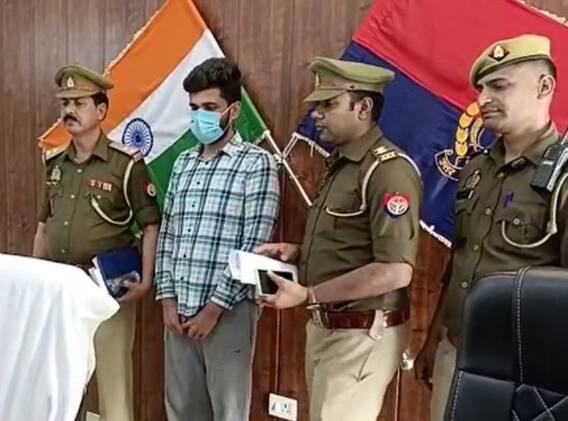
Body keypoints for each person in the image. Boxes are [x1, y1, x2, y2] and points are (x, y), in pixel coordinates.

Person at [256, 56, 422, 421]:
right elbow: (349, 243)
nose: (316, 114)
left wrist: (309, 294)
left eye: (329, 104)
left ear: (363, 108)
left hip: (360, 332)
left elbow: (395, 271)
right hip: (330, 327)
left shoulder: (388, 171)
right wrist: (298, 253)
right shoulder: (343, 165)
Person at [414, 34, 566, 421]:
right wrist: (435, 338)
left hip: (525, 370)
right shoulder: (475, 170)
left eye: (499, 86)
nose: (483, 99)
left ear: (544, 87)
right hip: (456, 351)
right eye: (480, 89)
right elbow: (460, 259)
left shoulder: (563, 177)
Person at [32, 64, 161, 421]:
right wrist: (36, 280)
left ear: (101, 110)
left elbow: (151, 225)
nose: (69, 110)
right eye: (65, 103)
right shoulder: (54, 164)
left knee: (113, 387)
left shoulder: (125, 164)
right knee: (62, 386)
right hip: (61, 291)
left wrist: (145, 282)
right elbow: (43, 227)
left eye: (79, 103)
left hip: (106, 290)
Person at [154, 57, 280, 421]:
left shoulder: (256, 163)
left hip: (228, 313)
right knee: (182, 410)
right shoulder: (183, 163)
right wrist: (167, 298)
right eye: (194, 108)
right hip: (179, 310)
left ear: (233, 111)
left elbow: (254, 246)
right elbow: (168, 234)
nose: (200, 117)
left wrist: (213, 310)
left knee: (227, 412)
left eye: (210, 108)